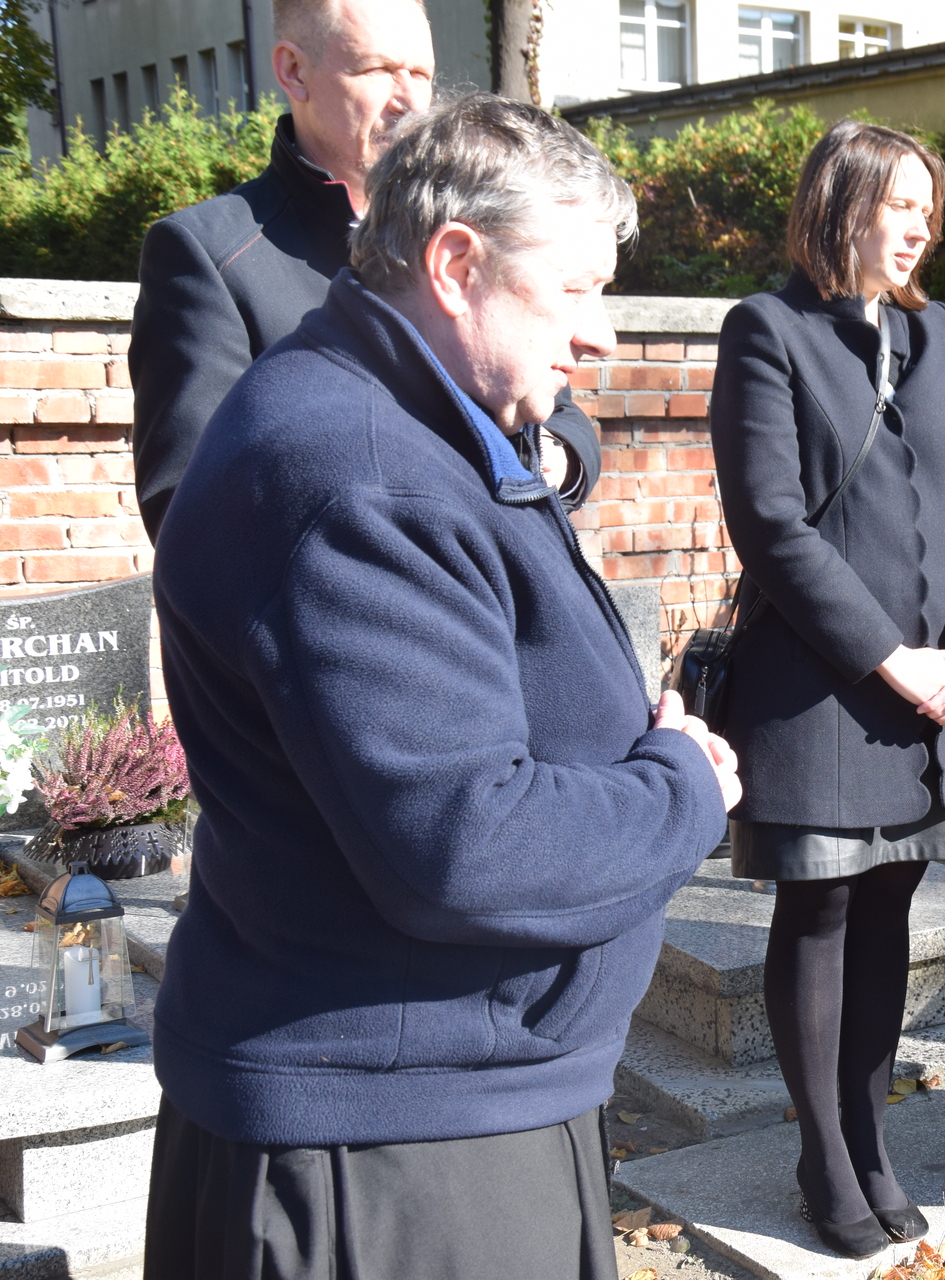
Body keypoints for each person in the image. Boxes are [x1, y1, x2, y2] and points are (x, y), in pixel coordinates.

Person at [143, 94, 737, 1280]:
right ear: (456, 263)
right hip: (383, 1154)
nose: (603, 335)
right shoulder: (358, 474)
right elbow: (466, 843)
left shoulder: (406, 423)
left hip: (445, 1099)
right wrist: (683, 786)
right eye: (574, 290)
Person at [707, 119, 945, 1260]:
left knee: (890, 912)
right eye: (903, 204)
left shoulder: (941, 337)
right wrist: (892, 656)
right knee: (824, 909)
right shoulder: (767, 331)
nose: (924, 225)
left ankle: (871, 1138)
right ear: (842, 205)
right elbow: (770, 526)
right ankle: (822, 1151)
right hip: (823, 687)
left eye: (930, 207)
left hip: (940, 689)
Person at [129, 0, 600, 541]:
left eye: (421, 74)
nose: (409, 102)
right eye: (377, 70)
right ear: (293, 71)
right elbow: (189, 508)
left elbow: (560, 417)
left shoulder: (468, 232)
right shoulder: (208, 253)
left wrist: (547, 461)